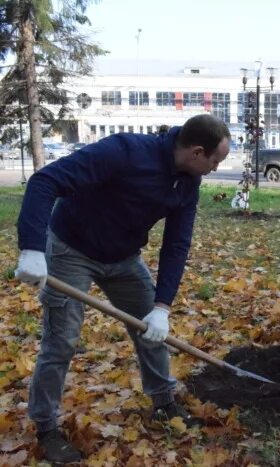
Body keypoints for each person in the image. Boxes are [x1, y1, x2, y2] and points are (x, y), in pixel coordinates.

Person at [13, 114, 230, 463]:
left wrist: (162, 307)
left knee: (151, 330)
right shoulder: (124, 151)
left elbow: (177, 243)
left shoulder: (187, 183)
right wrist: (32, 248)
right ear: (197, 152)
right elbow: (44, 181)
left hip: (124, 258)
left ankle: (164, 403)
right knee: (62, 340)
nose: (216, 168)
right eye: (216, 161)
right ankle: (45, 428)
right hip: (72, 250)